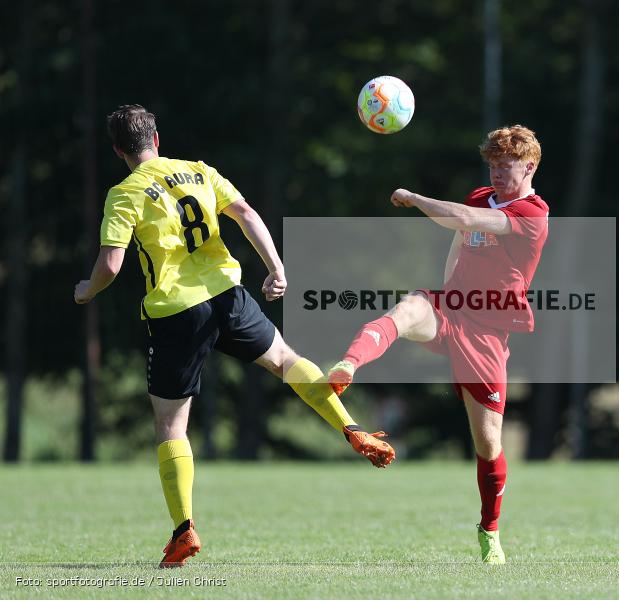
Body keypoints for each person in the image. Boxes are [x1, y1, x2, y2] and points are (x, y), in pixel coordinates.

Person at [73, 105, 395, 568]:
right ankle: (352, 427)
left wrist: (87, 290)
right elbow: (244, 212)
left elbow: (110, 264)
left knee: (171, 426)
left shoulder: (124, 194)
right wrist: (277, 268)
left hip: (176, 313)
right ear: (157, 139)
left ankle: (184, 529)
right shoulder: (199, 171)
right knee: (286, 360)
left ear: (118, 150)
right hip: (228, 295)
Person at [327, 125, 549, 564]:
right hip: (452, 310)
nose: (497, 173)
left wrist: (413, 198)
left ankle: (490, 531)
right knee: (407, 309)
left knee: (488, 443)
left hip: (488, 333)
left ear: (529, 167)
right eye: (492, 164)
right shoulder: (480, 196)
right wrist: (447, 292)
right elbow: (459, 239)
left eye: (506, 165)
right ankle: (347, 366)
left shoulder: (533, 212)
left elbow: (464, 220)